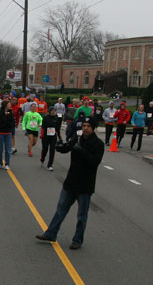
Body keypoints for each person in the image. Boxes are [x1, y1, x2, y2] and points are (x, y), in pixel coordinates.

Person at [35, 116, 105, 249]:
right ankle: (51, 233)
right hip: (71, 182)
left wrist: (82, 151)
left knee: (81, 216)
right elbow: (68, 147)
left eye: (88, 126)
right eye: (84, 125)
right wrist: (60, 147)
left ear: (93, 128)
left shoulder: (98, 144)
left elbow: (95, 162)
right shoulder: (78, 139)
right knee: (60, 209)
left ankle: (77, 240)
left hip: (85, 185)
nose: (85, 128)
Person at [0, 99, 15, 170]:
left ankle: (7, 164)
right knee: (0, 149)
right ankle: (0, 163)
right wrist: (5, 120)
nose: (10, 105)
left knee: (8, 150)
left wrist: (7, 123)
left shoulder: (11, 113)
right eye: (9, 104)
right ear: (5, 105)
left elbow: (12, 123)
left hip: (8, 133)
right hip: (0, 133)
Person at [40, 106, 62, 170]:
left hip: (53, 137)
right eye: (52, 110)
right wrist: (42, 135)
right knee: (45, 150)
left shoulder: (56, 118)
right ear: (49, 111)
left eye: (54, 111)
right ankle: (42, 159)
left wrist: (60, 137)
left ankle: (50, 165)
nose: (53, 112)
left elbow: (58, 128)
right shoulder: (45, 118)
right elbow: (43, 128)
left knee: (52, 151)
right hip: (46, 137)